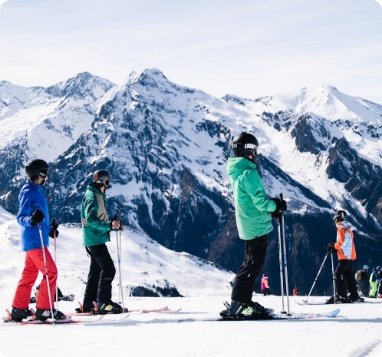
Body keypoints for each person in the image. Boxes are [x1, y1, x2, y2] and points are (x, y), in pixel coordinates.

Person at [220, 132, 287, 319]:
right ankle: (240, 303)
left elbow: (251, 200)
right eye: (254, 150)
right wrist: (276, 205)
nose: (255, 154)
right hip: (255, 225)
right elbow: (259, 202)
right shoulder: (248, 173)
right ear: (248, 150)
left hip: (249, 223)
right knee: (252, 265)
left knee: (251, 263)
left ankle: (242, 302)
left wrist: (270, 208)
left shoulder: (238, 171)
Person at [8, 159, 64, 322]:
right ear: (40, 173)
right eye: (46, 172)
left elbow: (39, 218)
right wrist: (31, 220)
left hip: (36, 240)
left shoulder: (37, 190)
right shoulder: (28, 192)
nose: (47, 175)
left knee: (29, 274)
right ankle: (45, 309)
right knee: (51, 272)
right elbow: (21, 217)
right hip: (34, 242)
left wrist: (49, 230)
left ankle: (19, 308)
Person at [79, 169, 124, 314]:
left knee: (96, 269)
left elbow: (99, 219)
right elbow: (91, 219)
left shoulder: (96, 194)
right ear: (105, 182)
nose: (108, 186)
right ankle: (104, 302)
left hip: (93, 238)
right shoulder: (93, 196)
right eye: (108, 183)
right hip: (95, 240)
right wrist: (109, 226)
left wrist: (113, 226)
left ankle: (89, 303)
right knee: (109, 269)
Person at [326, 210, 363, 304]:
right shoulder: (348, 228)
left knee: (338, 274)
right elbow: (346, 243)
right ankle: (353, 295)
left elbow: (341, 243)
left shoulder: (341, 228)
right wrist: (336, 247)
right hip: (350, 256)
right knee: (348, 275)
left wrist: (333, 246)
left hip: (345, 256)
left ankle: (341, 295)